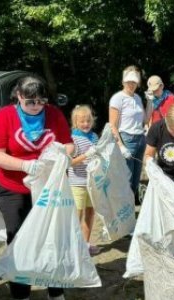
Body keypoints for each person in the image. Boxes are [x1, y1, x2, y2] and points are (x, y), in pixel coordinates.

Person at [0, 75, 74, 300]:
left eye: (40, 101)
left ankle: (55, 291)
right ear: (18, 97)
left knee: (52, 238)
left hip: (49, 188)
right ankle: (21, 293)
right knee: (18, 239)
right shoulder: (3, 116)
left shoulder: (54, 114)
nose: (36, 107)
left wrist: (60, 157)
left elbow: (68, 143)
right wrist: (25, 164)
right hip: (14, 188)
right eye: (30, 102)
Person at [109, 65, 146, 204]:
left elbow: (145, 120)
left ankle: (129, 209)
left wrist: (150, 103)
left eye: (134, 82)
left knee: (136, 179)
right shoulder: (117, 98)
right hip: (126, 139)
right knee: (127, 178)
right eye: (129, 81)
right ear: (123, 81)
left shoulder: (137, 98)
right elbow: (112, 125)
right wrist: (121, 146)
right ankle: (124, 210)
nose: (131, 84)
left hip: (140, 139)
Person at [68, 105, 101, 255]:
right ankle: (73, 247)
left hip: (92, 183)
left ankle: (85, 244)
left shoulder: (94, 137)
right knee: (77, 215)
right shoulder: (73, 139)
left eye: (88, 120)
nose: (86, 124)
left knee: (90, 213)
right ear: (75, 122)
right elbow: (70, 162)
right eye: (82, 121)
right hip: (77, 183)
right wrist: (86, 155)